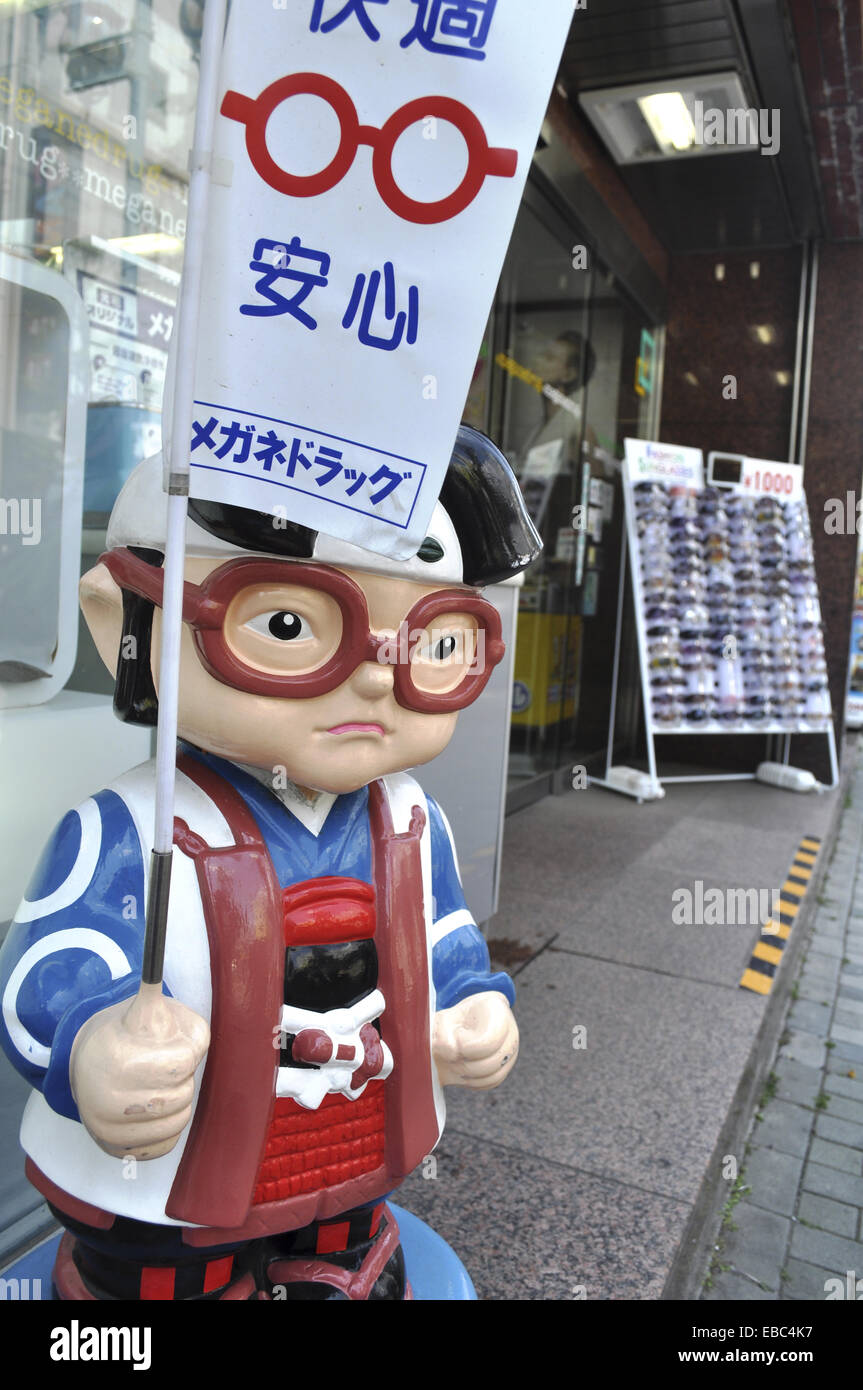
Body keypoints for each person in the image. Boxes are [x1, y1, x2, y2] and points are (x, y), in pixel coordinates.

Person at [0, 424, 540, 1300]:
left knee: (348, 1250)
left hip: (357, 1135)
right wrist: (91, 1043)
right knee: (169, 1279)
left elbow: (447, 938)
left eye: (434, 643)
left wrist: (473, 1002)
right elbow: (55, 964)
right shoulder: (131, 826)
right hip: (166, 1177)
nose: (375, 678)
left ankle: (335, 1266)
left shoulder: (410, 820)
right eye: (289, 624)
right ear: (125, 618)